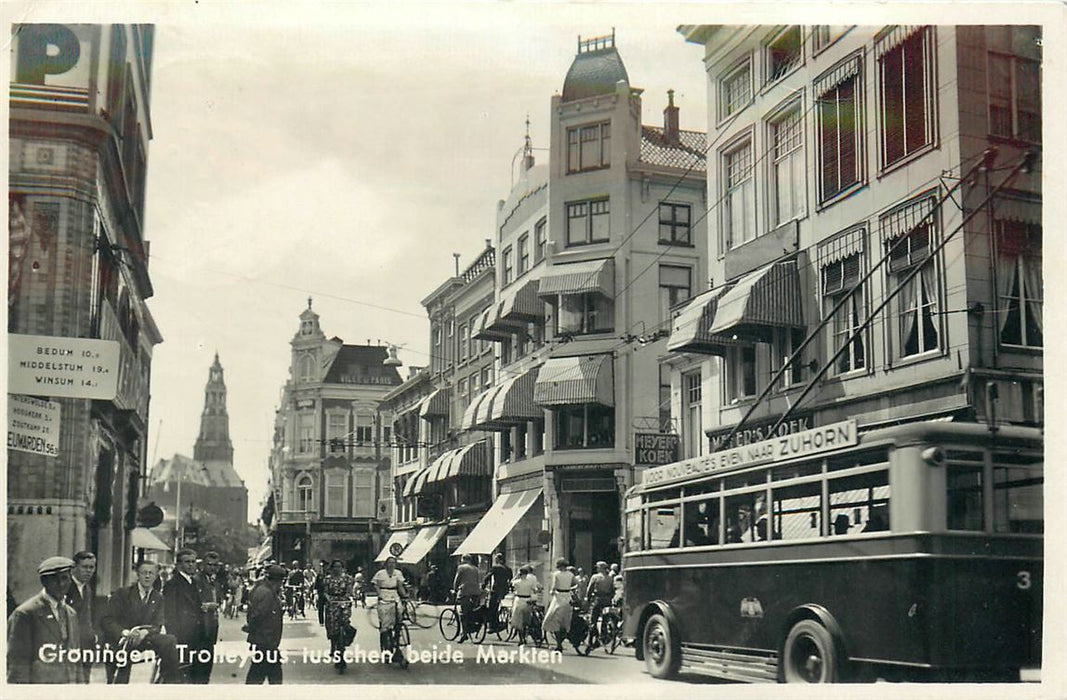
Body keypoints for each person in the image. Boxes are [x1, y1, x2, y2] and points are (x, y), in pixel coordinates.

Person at [100, 560, 182, 683]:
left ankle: (170, 683)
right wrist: (125, 633)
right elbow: (107, 620)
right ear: (138, 575)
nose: (147, 576)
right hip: (124, 639)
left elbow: (158, 624)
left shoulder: (158, 597)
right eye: (144, 573)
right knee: (121, 670)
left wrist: (145, 632)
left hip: (144, 638)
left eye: (151, 573)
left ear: (156, 576)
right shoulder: (123, 593)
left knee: (169, 640)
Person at [7, 556, 84, 683]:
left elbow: (76, 658)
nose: (61, 584)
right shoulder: (25, 614)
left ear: (70, 580)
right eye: (54, 580)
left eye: (65, 578)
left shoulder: (71, 613)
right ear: (44, 581)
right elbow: (18, 664)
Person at [163, 547, 205, 682]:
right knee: (182, 674)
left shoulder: (193, 582)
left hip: (194, 635)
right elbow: (170, 614)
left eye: (193, 562)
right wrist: (175, 638)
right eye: (187, 562)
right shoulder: (172, 585)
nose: (191, 565)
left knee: (193, 672)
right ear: (179, 565)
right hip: (182, 636)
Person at [245, 564, 285, 684]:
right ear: (276, 581)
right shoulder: (266, 593)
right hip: (266, 639)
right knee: (264, 675)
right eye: (280, 582)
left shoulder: (263, 589)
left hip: (266, 640)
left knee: (261, 673)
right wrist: (251, 628)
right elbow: (258, 615)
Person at [191, 551, 225, 683]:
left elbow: (219, 598)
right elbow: (194, 604)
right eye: (209, 564)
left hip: (211, 627)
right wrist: (208, 606)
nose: (212, 567)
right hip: (200, 628)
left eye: (215, 565)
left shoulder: (215, 582)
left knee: (207, 664)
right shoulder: (197, 580)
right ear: (203, 565)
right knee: (200, 666)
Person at [66, 550, 99, 682]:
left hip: (86, 645)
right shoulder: (66, 587)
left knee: (84, 680)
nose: (88, 571)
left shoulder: (87, 589)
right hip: (70, 645)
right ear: (74, 568)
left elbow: (88, 615)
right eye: (84, 567)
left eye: (91, 567)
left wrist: (93, 635)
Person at [370, 557, 407, 658]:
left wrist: (404, 595)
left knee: (399, 611)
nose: (391, 565)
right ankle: (386, 645)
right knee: (385, 621)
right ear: (386, 564)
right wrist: (379, 594)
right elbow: (375, 585)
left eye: (393, 563)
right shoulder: (380, 573)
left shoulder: (398, 573)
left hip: (394, 595)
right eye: (389, 563)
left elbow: (400, 586)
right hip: (384, 595)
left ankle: (397, 634)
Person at [322, 560, 354, 672]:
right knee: (332, 626)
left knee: (345, 623)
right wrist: (328, 598)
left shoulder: (348, 578)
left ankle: (345, 642)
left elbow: (349, 590)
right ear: (332, 568)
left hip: (344, 601)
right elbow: (325, 591)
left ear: (342, 568)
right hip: (332, 603)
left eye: (339, 566)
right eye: (335, 566)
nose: (337, 569)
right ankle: (333, 645)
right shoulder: (327, 579)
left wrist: (346, 598)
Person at [542, 558, 576, 652]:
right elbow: (577, 584)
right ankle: (563, 638)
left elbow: (554, 587)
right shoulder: (571, 574)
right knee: (565, 620)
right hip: (568, 597)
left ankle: (559, 644)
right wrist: (570, 589)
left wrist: (551, 591)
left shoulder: (556, 574)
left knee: (553, 618)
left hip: (559, 597)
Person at [584, 561, 614, 651]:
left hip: (598, 599)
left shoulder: (595, 577)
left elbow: (589, 589)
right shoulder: (610, 578)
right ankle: (603, 637)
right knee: (605, 619)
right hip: (607, 600)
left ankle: (591, 640)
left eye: (597, 567)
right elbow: (612, 590)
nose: (596, 568)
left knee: (593, 619)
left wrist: (587, 599)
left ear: (600, 568)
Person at [452, 553, 481, 643]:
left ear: (463, 559)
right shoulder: (476, 568)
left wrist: (454, 589)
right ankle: (472, 627)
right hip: (476, 592)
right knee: (472, 611)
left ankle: (464, 634)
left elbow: (457, 579)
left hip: (465, 591)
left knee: (463, 613)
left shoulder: (461, 567)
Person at [509, 565, 541, 645]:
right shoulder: (530, 582)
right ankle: (530, 634)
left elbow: (511, 584)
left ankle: (521, 639)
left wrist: (516, 576)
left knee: (518, 621)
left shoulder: (516, 582)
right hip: (528, 600)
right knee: (527, 620)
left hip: (519, 600)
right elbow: (535, 590)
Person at [482, 553, 512, 634]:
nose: (495, 560)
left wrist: (483, 586)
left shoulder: (496, 567)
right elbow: (510, 579)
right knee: (496, 605)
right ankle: (498, 621)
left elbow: (488, 576)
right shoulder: (508, 568)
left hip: (496, 589)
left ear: (498, 559)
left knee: (492, 607)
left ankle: (492, 626)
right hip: (504, 590)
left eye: (496, 559)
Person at [313, 561, 329, 626]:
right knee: (321, 608)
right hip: (321, 593)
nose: (323, 568)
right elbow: (316, 585)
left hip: (328, 594)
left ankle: (328, 621)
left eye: (324, 566)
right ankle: (321, 622)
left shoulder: (329, 574)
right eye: (322, 567)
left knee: (328, 609)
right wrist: (315, 593)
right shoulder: (319, 575)